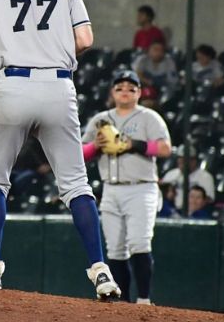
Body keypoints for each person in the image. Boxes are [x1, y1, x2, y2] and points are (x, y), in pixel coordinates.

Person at [0, 0, 121, 300]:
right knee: (76, 185)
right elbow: (84, 39)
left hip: (11, 82)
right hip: (57, 85)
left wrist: (4, 53)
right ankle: (101, 272)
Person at [82, 70, 173, 304]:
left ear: (139, 93)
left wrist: (134, 144)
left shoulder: (148, 117)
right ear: (112, 92)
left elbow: (165, 149)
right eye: (120, 87)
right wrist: (95, 146)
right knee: (115, 248)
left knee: (139, 242)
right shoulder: (100, 119)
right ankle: (122, 304)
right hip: (111, 187)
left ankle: (143, 299)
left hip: (141, 187)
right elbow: (80, 153)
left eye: (131, 88)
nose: (125, 91)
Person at [161, 145, 215, 210]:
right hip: (171, 211)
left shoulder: (205, 177)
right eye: (180, 159)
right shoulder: (171, 174)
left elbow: (208, 200)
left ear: (194, 160)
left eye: (186, 160)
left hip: (196, 214)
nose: (183, 162)